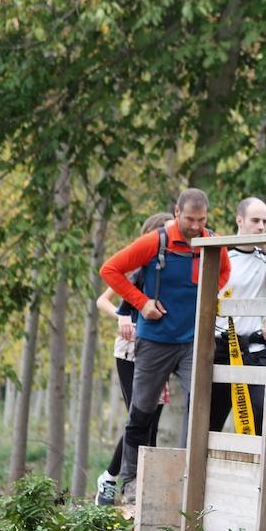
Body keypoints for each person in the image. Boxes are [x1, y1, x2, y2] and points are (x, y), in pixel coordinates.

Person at [100, 189, 232, 503]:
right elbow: (110, 270)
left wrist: (207, 295)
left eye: (201, 220)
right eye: (190, 219)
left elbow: (224, 271)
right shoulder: (155, 242)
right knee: (142, 411)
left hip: (192, 341)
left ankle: (194, 476)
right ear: (176, 213)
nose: (196, 226)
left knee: (202, 400)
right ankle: (130, 482)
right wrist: (141, 303)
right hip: (155, 341)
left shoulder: (211, 241)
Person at [93, 212, 171, 506]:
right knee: (138, 417)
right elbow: (103, 300)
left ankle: (135, 484)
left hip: (160, 350)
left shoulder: (169, 272)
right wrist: (122, 317)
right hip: (130, 352)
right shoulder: (135, 266)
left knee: (152, 419)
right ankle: (114, 480)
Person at [208, 198, 266, 437]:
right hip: (221, 347)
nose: (261, 227)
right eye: (255, 220)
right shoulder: (223, 255)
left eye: (265, 222)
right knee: (210, 419)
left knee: (258, 417)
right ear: (239, 220)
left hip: (254, 349)